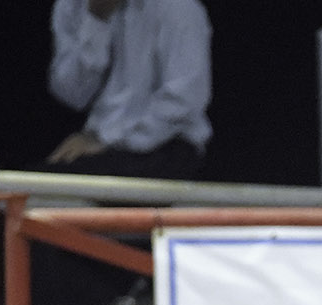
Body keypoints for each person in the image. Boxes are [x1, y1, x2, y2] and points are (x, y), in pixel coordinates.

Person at [46, 0, 211, 180]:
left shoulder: (178, 7)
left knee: (50, 187)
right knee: (35, 183)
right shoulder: (71, 6)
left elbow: (184, 101)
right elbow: (73, 95)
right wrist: (96, 20)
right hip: (103, 147)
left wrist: (109, 141)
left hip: (165, 144)